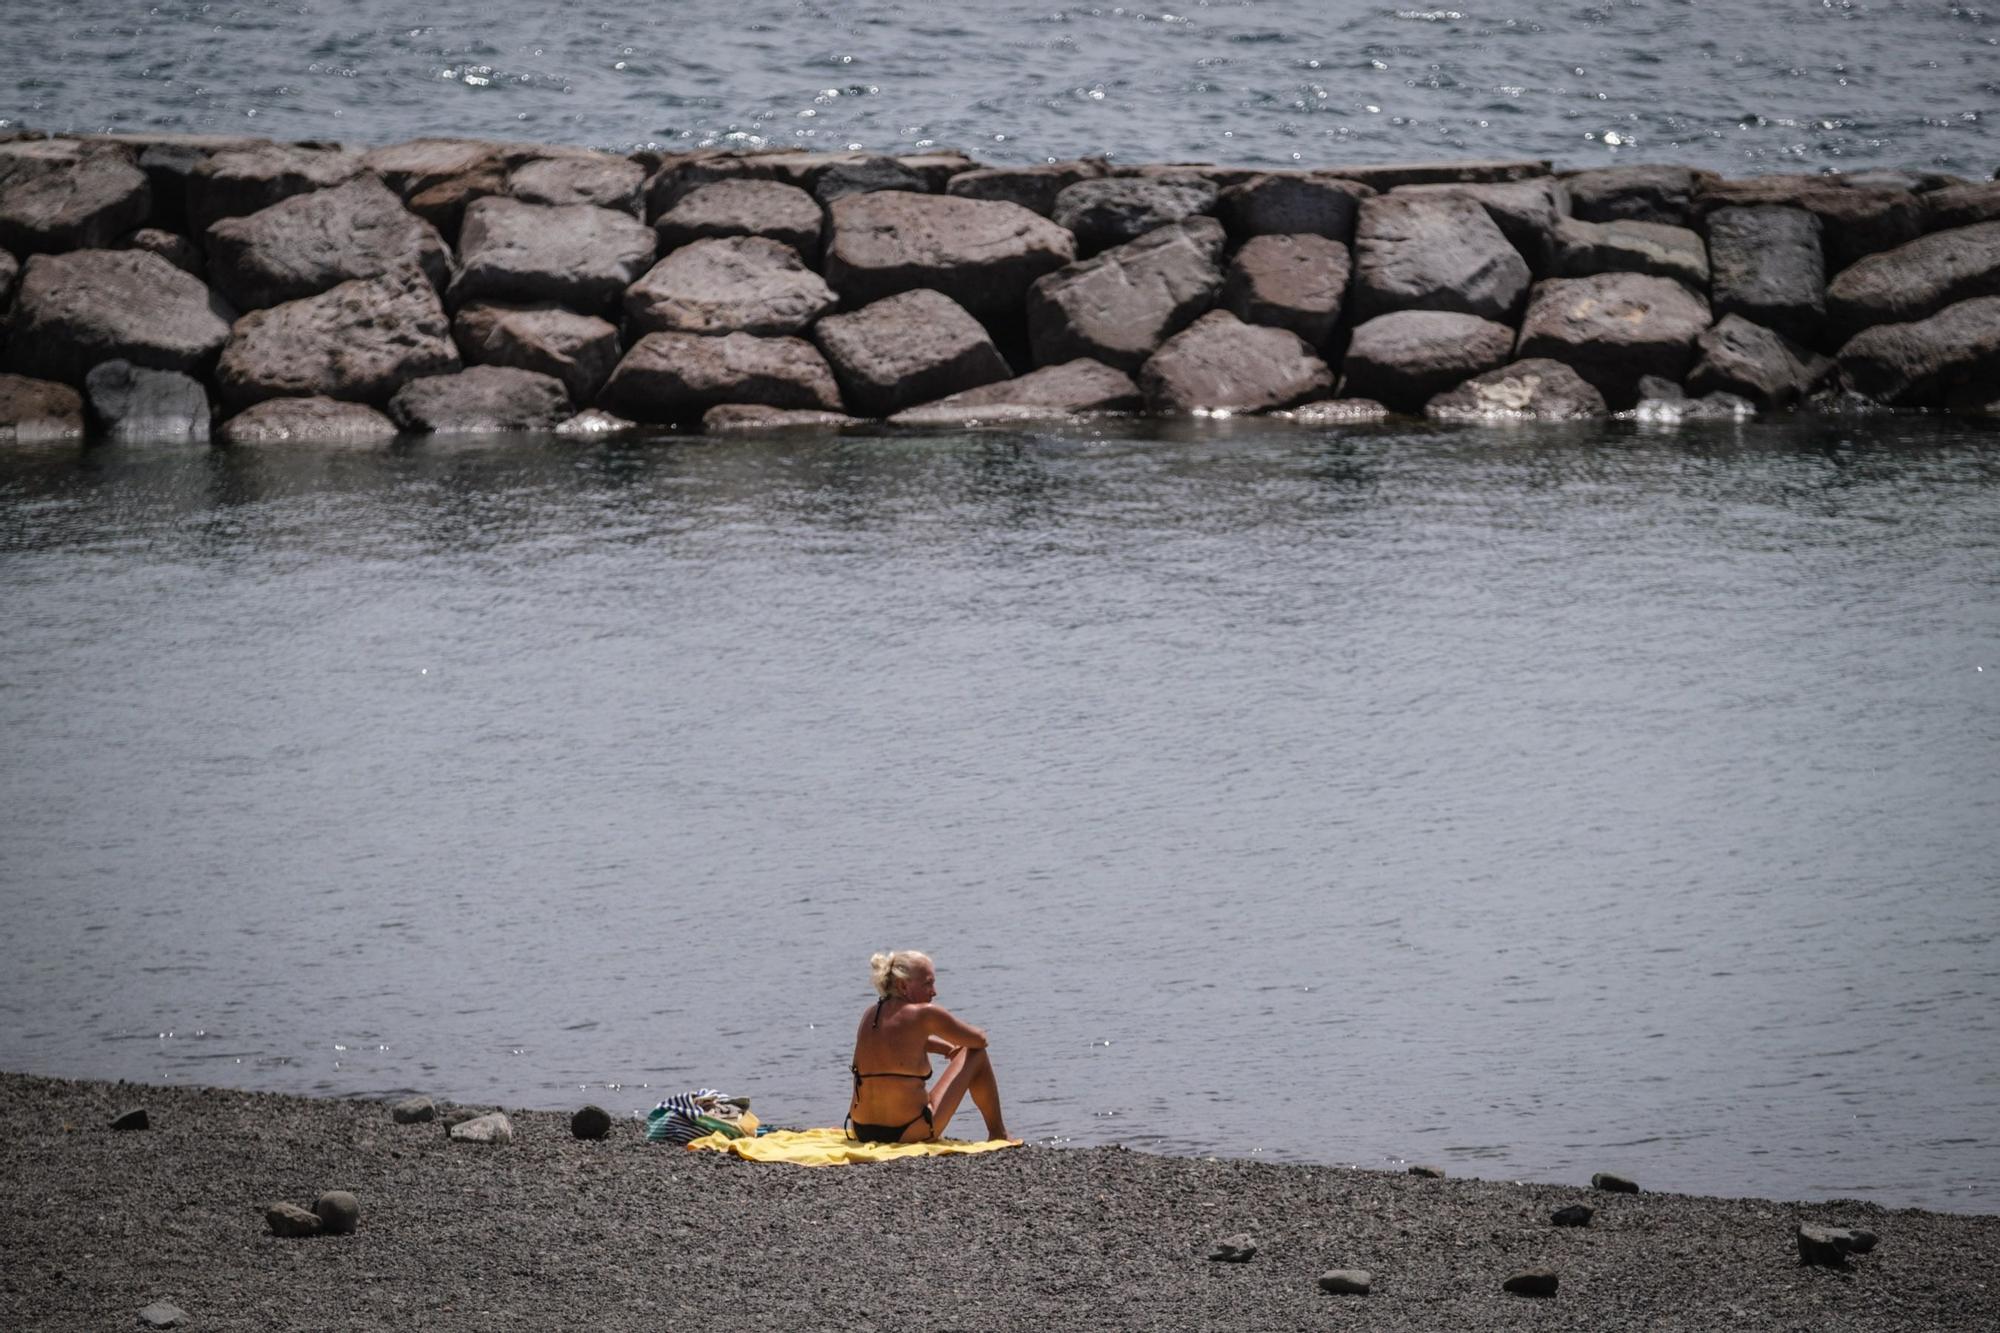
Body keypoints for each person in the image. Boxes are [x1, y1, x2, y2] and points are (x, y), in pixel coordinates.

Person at [847, 949, 1008, 1143]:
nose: (934, 991)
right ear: (903, 985)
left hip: (861, 1129)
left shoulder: (871, 1014)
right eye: (928, 983)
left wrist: (945, 1048)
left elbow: (898, 1044)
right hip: (911, 1130)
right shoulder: (925, 1014)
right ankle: (999, 1134)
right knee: (976, 1053)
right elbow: (980, 1039)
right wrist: (957, 1045)